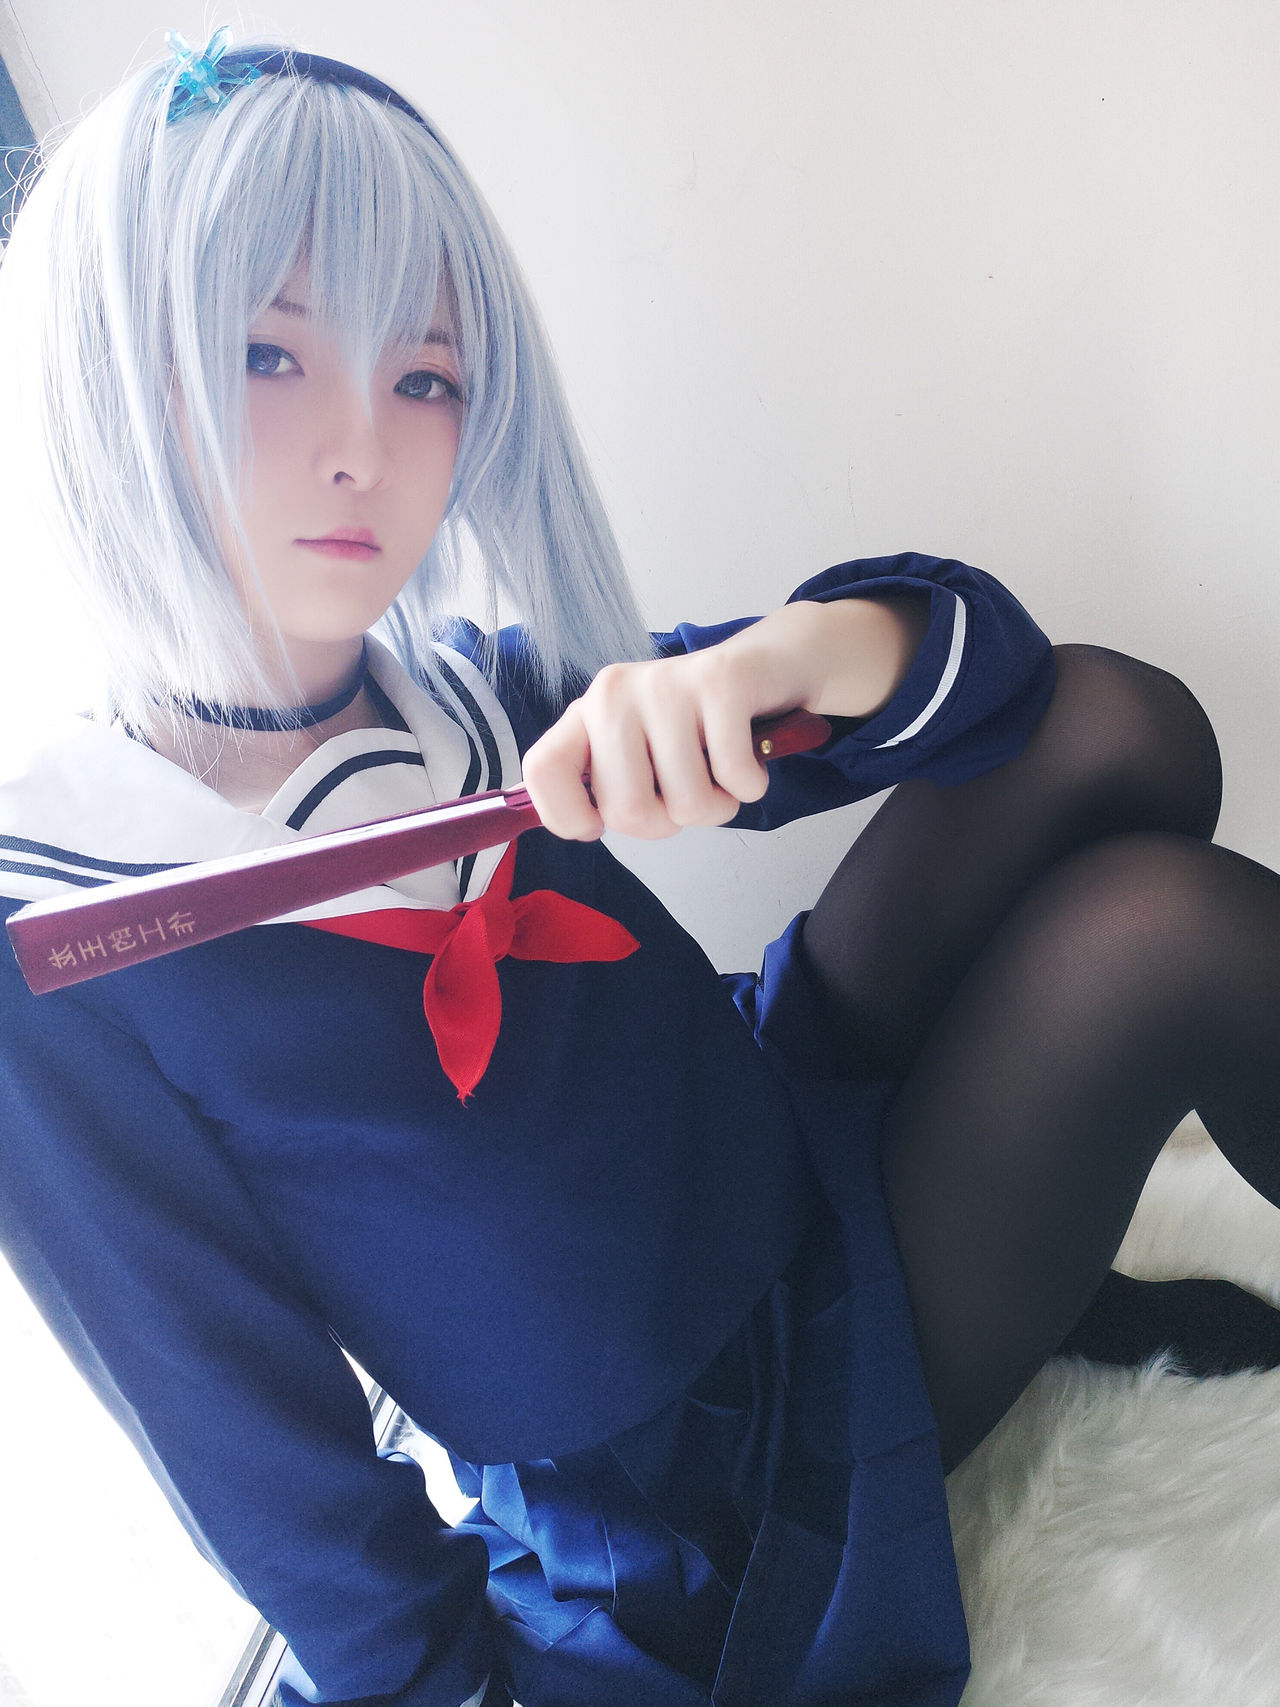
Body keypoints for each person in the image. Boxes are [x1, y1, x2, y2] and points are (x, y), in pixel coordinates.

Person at [1, 30, 1279, 1707]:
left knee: (1121, 729)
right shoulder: (71, 932)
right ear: (108, 370)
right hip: (717, 1457)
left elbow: (1010, 680)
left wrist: (773, 661)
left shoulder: (473, 692)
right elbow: (239, 1432)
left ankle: (1034, 1249)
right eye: (264, 353)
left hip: (776, 1132)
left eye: (425, 376)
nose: (359, 445)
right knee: (1172, 943)